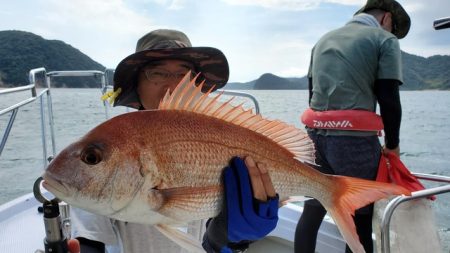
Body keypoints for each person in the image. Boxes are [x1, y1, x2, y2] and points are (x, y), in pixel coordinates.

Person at [66, 29, 279, 253]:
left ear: (196, 86)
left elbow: (209, 245)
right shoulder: (112, 147)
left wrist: (230, 239)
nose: (171, 86)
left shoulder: (219, 135)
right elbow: (89, 239)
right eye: (157, 73)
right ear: (136, 85)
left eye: (183, 74)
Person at [295, 0, 410, 252]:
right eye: (392, 29)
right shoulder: (383, 40)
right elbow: (388, 98)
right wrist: (392, 145)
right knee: (360, 218)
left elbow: (312, 93)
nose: (391, 34)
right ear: (386, 19)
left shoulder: (322, 40)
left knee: (312, 211)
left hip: (313, 138)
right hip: (354, 143)